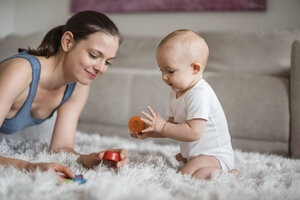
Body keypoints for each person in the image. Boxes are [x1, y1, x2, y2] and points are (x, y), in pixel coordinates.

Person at [0, 10, 129, 178]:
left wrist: (87, 159)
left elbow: (61, 148)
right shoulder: (21, 71)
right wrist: (29, 167)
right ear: (67, 42)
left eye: (108, 62)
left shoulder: (78, 85)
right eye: (94, 55)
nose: (101, 68)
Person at [130, 29, 238, 179]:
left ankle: (229, 174)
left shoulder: (199, 94)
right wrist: (151, 131)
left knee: (185, 176)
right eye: (161, 70)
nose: (164, 76)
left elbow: (194, 133)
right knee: (173, 163)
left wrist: (162, 126)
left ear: (195, 68)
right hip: (195, 154)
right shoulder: (175, 92)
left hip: (215, 156)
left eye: (170, 71)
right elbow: (173, 127)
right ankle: (193, 162)